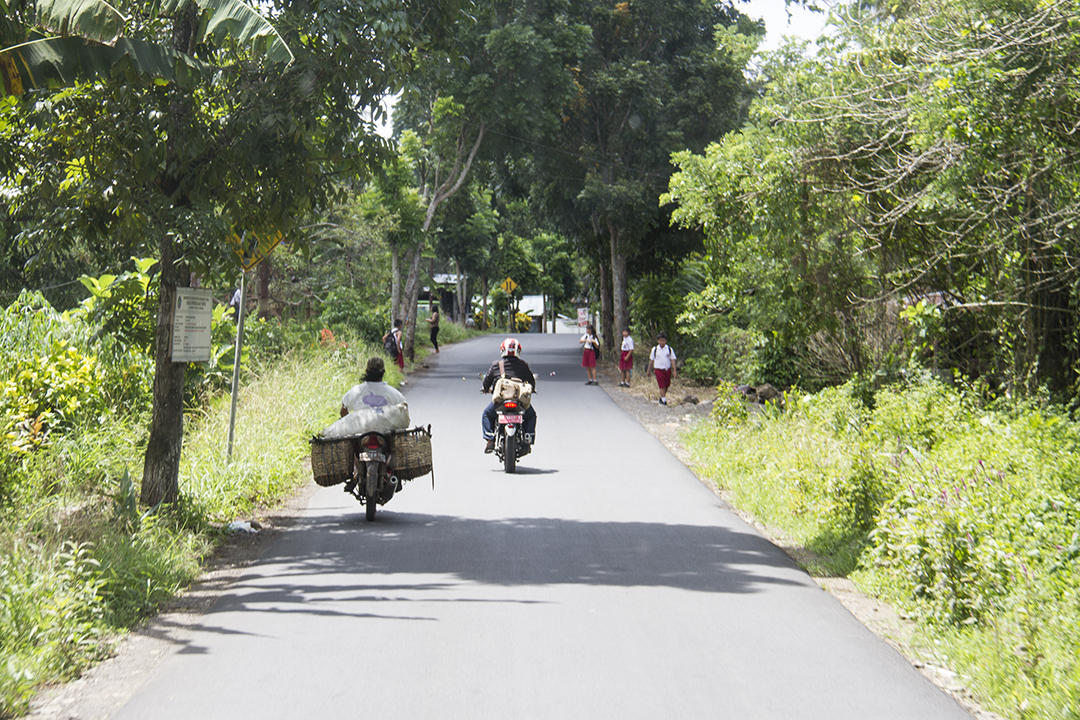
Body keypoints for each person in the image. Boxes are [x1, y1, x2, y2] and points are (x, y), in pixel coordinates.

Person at [322, 357, 410, 439]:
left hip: (360, 437)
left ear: (367, 371)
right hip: (386, 437)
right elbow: (403, 413)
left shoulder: (356, 391)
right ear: (383, 372)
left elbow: (343, 412)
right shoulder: (394, 394)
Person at [481, 337, 537, 454]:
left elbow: (486, 381)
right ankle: (528, 437)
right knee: (531, 415)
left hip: (500, 402)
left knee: (486, 414)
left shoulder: (496, 365)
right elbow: (531, 381)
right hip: (519, 402)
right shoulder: (523, 365)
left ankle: (490, 440)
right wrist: (532, 389)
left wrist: (486, 389)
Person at [646, 332, 677, 405]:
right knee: (661, 385)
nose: (662, 342)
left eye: (663, 340)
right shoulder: (655, 349)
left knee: (667, 385)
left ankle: (662, 396)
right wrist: (648, 370)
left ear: (666, 341)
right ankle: (664, 400)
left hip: (667, 369)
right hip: (658, 369)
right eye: (660, 340)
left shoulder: (669, 349)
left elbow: (672, 360)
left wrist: (674, 370)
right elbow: (651, 360)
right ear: (658, 341)